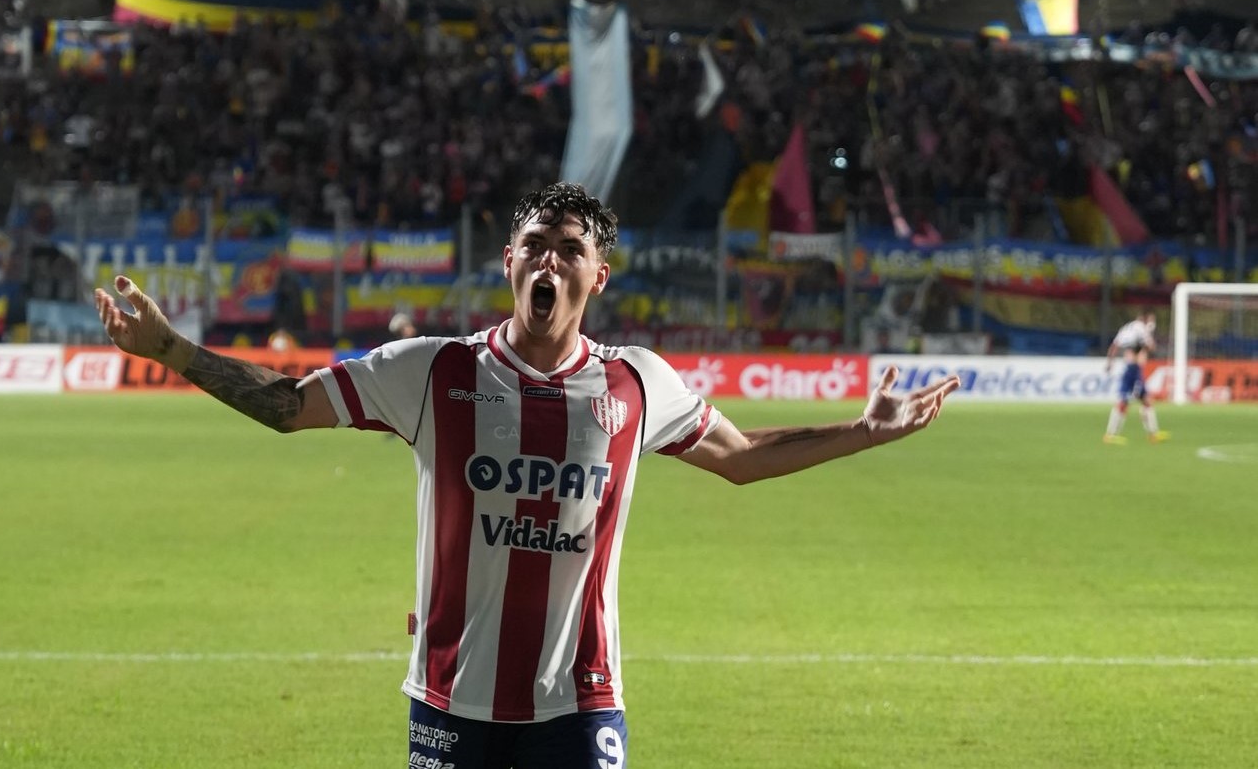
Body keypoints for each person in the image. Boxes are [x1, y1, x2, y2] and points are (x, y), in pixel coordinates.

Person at [93, 181, 959, 768]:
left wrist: (863, 431)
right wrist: (173, 350)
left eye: (568, 249)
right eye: (534, 246)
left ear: (597, 275)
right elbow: (288, 405)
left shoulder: (636, 384)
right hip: (450, 701)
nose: (549, 261)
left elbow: (739, 457)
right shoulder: (430, 371)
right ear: (506, 260)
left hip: (581, 708)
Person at [1103, 309, 1169, 444]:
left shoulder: (1126, 328)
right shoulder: (1141, 329)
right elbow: (1151, 347)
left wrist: (1110, 363)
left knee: (1146, 400)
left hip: (1129, 367)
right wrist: (1149, 335)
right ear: (1145, 319)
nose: (1152, 323)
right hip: (1133, 370)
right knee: (1125, 401)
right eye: (1151, 320)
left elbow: (1114, 346)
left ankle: (1153, 434)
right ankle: (1110, 435)